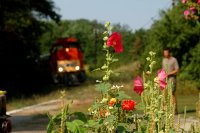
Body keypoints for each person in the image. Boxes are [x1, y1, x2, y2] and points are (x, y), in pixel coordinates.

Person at [162, 47, 179, 114]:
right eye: (164, 53)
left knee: (172, 93)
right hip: (164, 79)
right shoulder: (163, 60)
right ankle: (164, 109)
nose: (165, 54)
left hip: (172, 78)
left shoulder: (174, 60)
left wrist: (169, 73)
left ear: (169, 52)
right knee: (163, 93)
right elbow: (163, 69)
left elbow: (177, 70)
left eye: (166, 52)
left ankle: (175, 110)